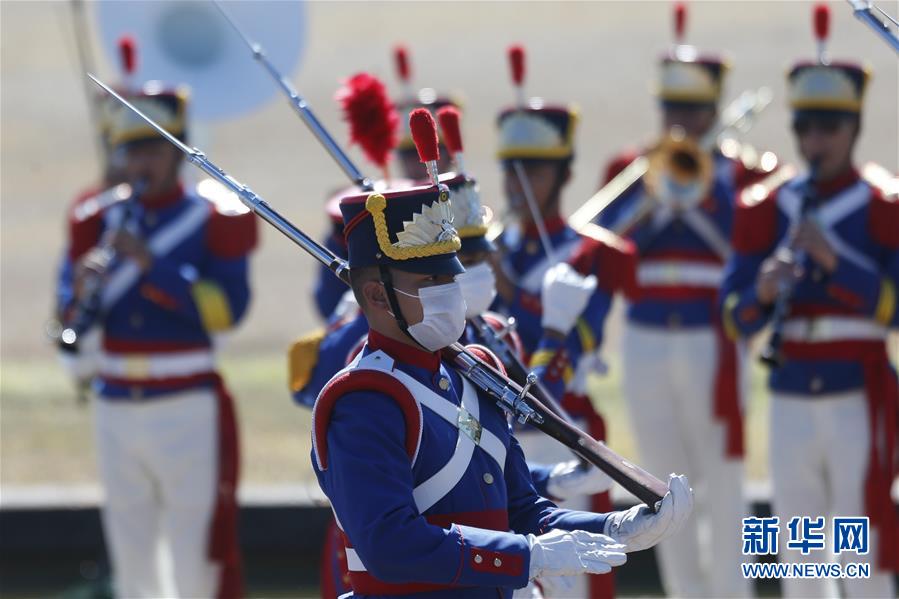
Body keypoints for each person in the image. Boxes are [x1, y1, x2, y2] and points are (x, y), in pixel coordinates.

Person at [310, 108, 693, 598]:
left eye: (451, 275)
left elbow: (522, 508)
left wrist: (613, 527)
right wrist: (525, 556)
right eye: (431, 281)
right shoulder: (367, 400)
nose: (453, 291)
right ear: (379, 296)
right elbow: (390, 543)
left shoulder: (475, 371)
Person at [594, 5, 773, 596]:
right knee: (659, 486)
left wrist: (702, 196)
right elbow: (606, 252)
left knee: (722, 481)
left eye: (693, 110)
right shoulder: (630, 169)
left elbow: (747, 249)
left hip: (711, 336)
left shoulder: (740, 175)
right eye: (672, 108)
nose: (681, 122)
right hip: (646, 338)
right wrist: (653, 203)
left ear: (714, 110)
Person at [720, 6, 898, 597]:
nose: (815, 141)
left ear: (854, 127)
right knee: (802, 557)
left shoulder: (884, 203)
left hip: (858, 395)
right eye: (806, 128)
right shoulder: (766, 206)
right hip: (791, 396)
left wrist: (835, 263)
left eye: (829, 127)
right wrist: (763, 290)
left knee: (864, 555)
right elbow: (732, 313)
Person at [56, 82, 257, 598]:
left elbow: (226, 311)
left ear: (177, 150)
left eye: (152, 148)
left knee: (195, 551)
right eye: (132, 149)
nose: (140, 161)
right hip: (115, 401)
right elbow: (65, 318)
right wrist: (80, 290)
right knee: (131, 549)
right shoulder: (95, 220)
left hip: (186, 399)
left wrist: (151, 265)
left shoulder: (213, 215)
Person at [491, 44, 638, 599]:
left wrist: (511, 294)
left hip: (563, 428)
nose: (518, 180)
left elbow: (580, 340)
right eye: (511, 167)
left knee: (574, 581)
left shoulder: (590, 253)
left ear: (562, 172)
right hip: (500, 436)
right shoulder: (489, 248)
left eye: (533, 168)